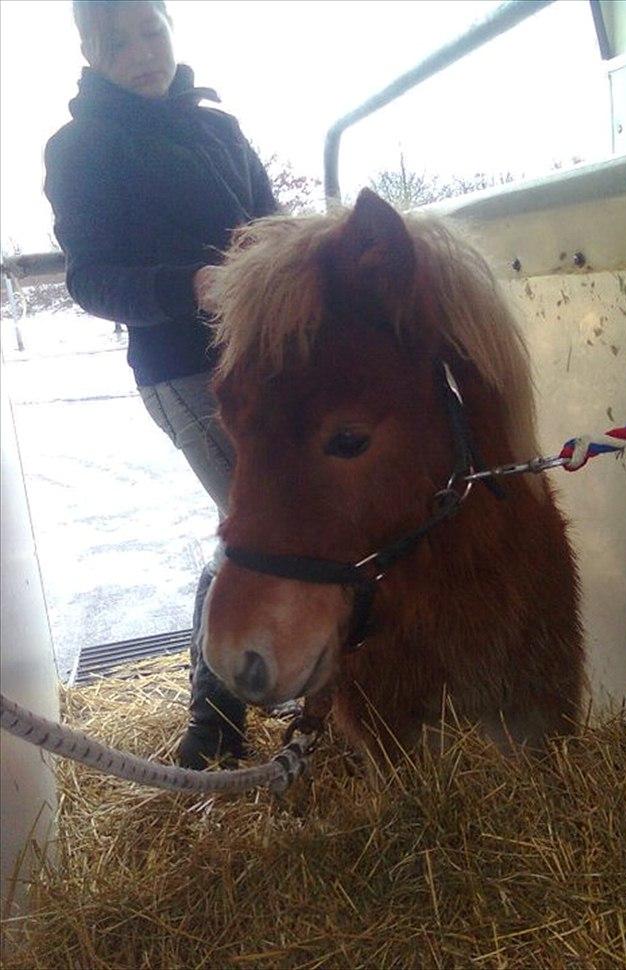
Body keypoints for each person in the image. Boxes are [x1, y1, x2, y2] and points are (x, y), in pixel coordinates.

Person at [44, 0, 278, 768]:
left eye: (152, 32)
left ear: (173, 31)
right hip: (183, 367)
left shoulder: (219, 127)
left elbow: (272, 222)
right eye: (118, 43)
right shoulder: (80, 147)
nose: (141, 53)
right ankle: (213, 728)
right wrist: (194, 285)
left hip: (268, 358)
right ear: (90, 52)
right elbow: (91, 280)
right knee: (254, 528)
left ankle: (306, 693)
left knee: (290, 519)